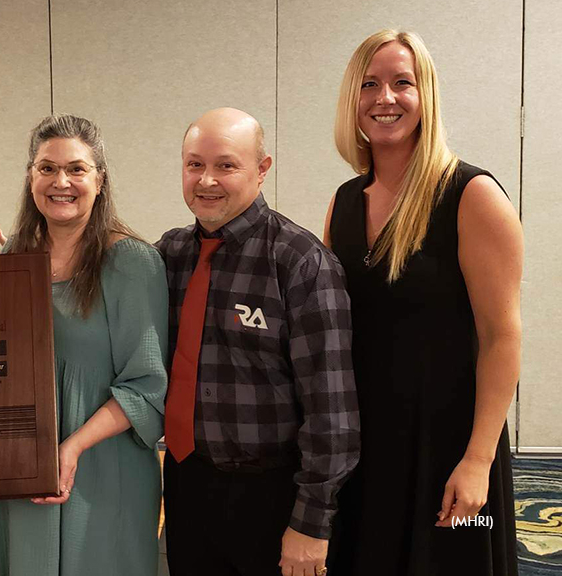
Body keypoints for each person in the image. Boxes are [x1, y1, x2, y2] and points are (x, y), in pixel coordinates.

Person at [324, 30, 521, 576]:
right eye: (370, 84)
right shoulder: (342, 203)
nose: (384, 98)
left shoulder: (472, 194)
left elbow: (501, 336)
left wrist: (478, 460)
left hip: (451, 449)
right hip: (366, 447)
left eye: (401, 83)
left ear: (425, 94)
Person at [156, 108, 360, 576]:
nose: (206, 180)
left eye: (226, 165)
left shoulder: (301, 262)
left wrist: (311, 523)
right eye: (194, 165)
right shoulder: (169, 255)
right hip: (188, 481)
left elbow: (333, 410)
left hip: (274, 493)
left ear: (262, 169)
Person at [0, 114, 169, 576]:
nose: (60, 181)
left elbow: (146, 387)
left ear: (99, 180)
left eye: (77, 169)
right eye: (46, 168)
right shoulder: (11, 261)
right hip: (23, 465)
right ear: (30, 178)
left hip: (102, 469)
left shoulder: (131, 262)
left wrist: (71, 448)